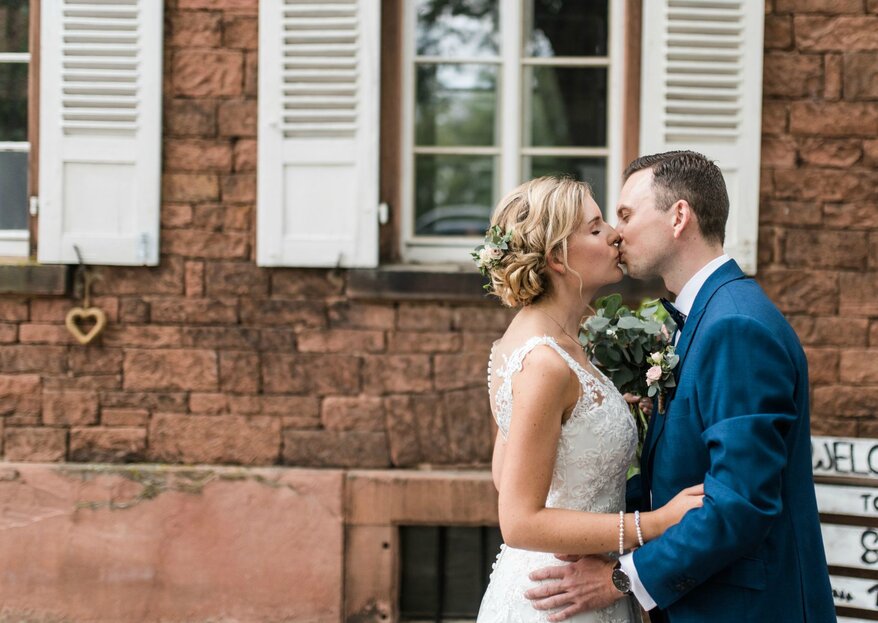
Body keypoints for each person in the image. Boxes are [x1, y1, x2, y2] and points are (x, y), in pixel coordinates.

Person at [523, 152, 835, 622]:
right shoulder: (705, 318)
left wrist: (621, 579)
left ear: (679, 217)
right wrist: (600, 525)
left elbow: (741, 502)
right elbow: (678, 479)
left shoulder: (734, 326)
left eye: (626, 215)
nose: (616, 232)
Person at [475, 176, 704, 623]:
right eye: (596, 228)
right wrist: (654, 525)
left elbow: (507, 473)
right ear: (558, 257)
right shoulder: (543, 361)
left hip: (579, 577)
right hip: (557, 599)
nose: (615, 234)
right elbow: (519, 520)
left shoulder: (536, 342)